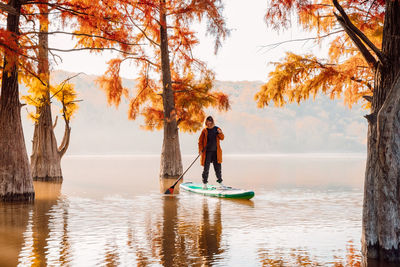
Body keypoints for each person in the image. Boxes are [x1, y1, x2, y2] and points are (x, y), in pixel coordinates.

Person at [198, 116, 225, 189]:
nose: (209, 122)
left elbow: (222, 138)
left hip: (216, 152)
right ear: (206, 122)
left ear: (212, 121)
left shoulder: (217, 129)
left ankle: (220, 183)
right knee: (206, 168)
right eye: (207, 121)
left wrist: (220, 133)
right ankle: (205, 183)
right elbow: (200, 141)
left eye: (210, 121)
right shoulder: (204, 130)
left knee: (218, 168)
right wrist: (200, 150)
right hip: (207, 152)